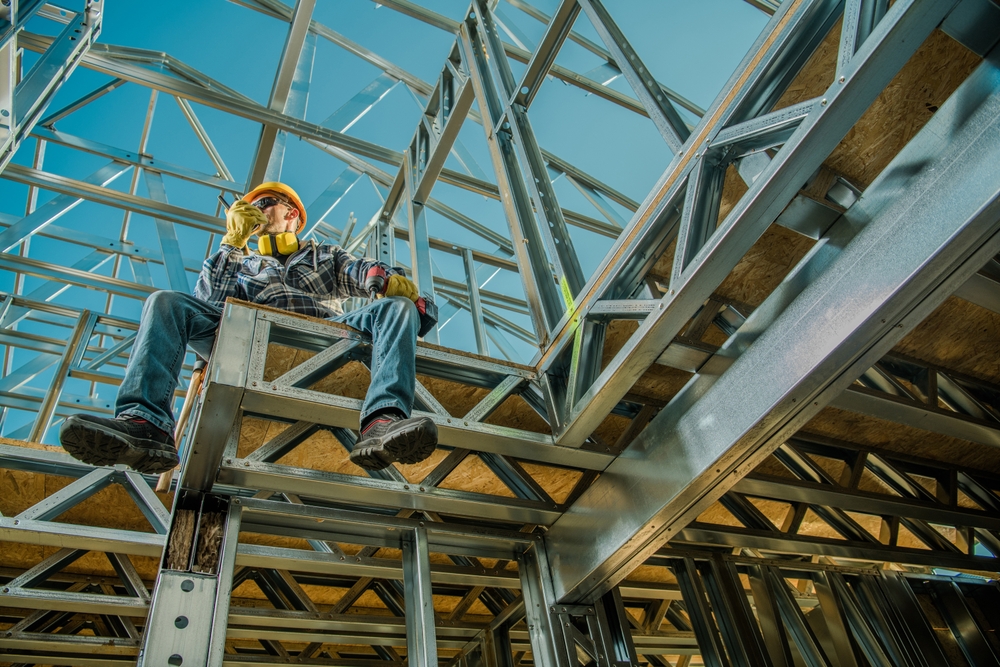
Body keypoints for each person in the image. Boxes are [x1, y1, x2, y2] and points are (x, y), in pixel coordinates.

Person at [59, 182, 438, 474]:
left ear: (292, 215)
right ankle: (147, 425)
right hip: (249, 337)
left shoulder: (323, 254)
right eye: (248, 207)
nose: (254, 210)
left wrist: (384, 278)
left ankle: (381, 422)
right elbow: (209, 304)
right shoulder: (241, 261)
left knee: (397, 310)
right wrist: (231, 243)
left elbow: (357, 271)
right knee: (166, 303)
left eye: (264, 204)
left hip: (324, 334)